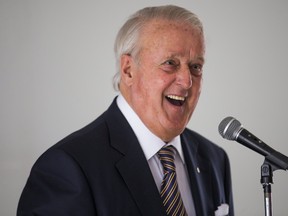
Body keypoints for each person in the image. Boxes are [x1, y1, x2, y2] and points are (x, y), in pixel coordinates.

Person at [17, 5, 234, 216]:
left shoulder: (214, 159)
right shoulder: (67, 168)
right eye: (170, 63)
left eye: (196, 67)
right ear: (128, 70)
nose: (187, 81)